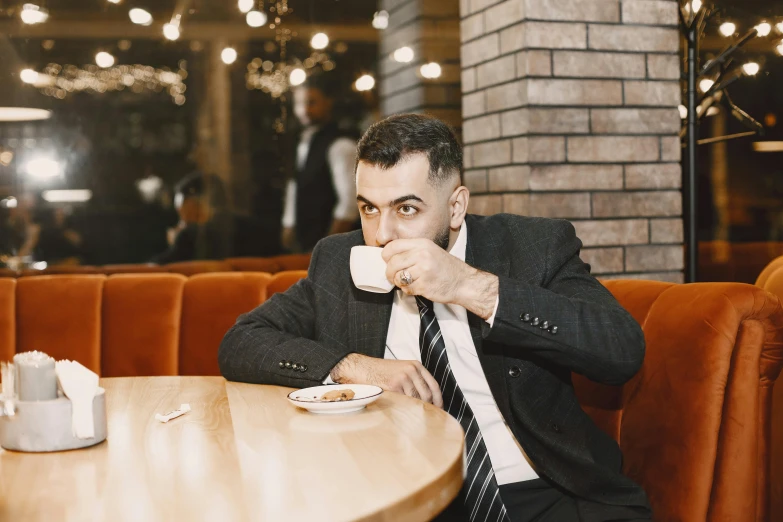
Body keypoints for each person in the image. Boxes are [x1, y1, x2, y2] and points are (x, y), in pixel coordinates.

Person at [219, 114, 652, 521]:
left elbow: (620, 350)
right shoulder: (340, 261)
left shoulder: (531, 247)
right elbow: (241, 341)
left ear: (457, 206)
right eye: (369, 208)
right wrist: (351, 368)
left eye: (406, 209)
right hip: (408, 497)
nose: (383, 233)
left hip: (542, 492)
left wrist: (468, 286)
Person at [281, 73, 359, 253]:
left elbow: (350, 202)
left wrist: (327, 248)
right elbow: (296, 185)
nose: (304, 110)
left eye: (311, 102)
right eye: (298, 104)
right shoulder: (303, 142)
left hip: (335, 249)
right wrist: (289, 224)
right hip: (307, 243)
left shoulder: (341, 144)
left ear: (328, 102)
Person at [150, 171, 261, 264]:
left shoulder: (191, 236)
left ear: (201, 205)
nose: (182, 222)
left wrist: (176, 243)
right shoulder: (257, 229)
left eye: (182, 212)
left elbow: (152, 270)